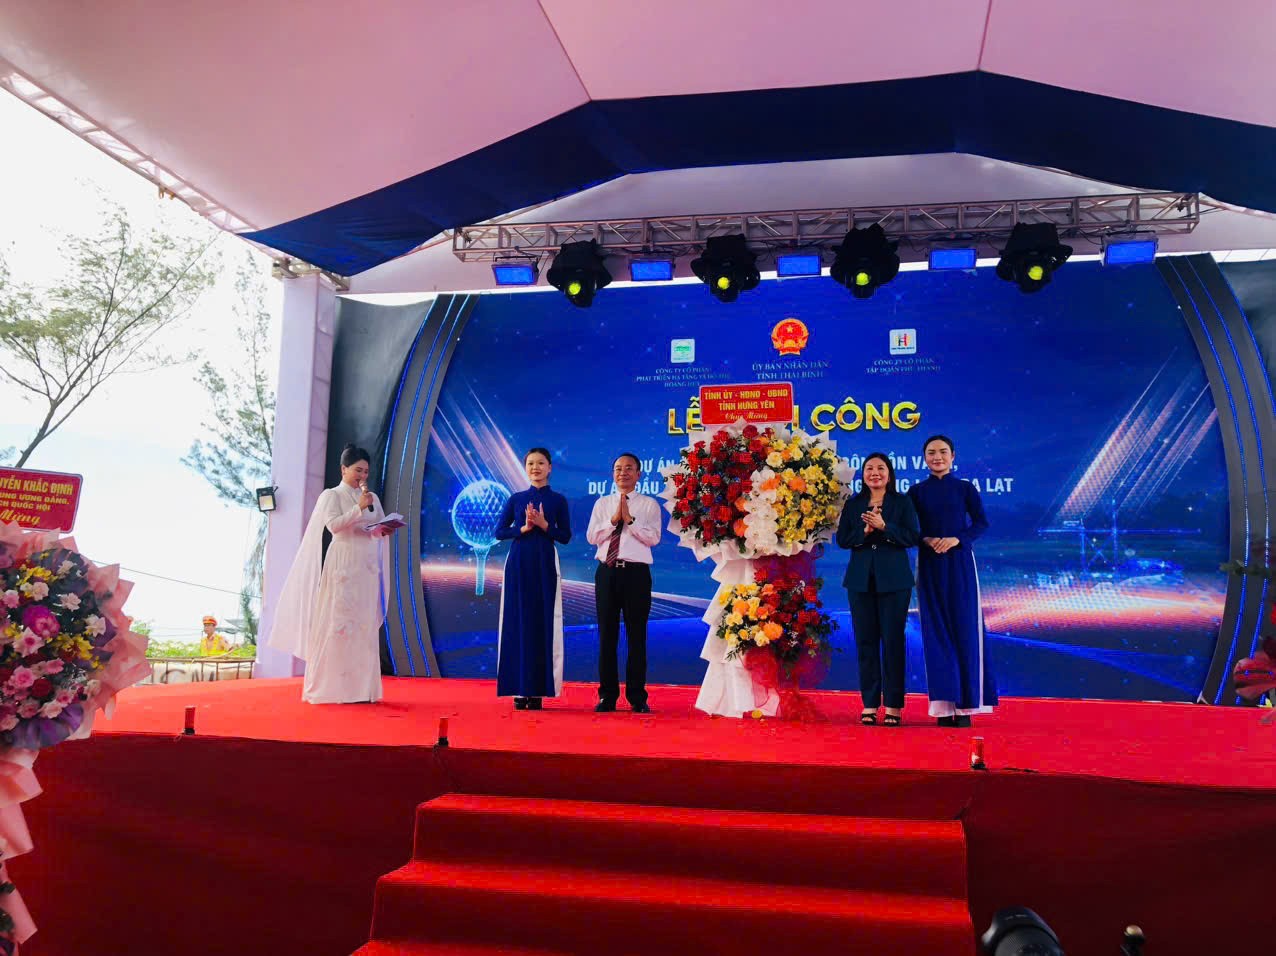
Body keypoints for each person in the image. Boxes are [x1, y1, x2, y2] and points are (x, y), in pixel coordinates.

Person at [268, 443, 394, 704]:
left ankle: (361, 690)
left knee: (363, 624)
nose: (362, 476)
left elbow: (375, 527)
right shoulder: (331, 495)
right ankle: (332, 688)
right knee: (339, 622)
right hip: (343, 561)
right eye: (358, 470)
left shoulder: (372, 497)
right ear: (344, 469)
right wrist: (358, 508)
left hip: (367, 565)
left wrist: (384, 529)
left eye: (366, 471)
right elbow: (334, 526)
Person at [907, 434, 997, 727]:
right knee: (936, 632)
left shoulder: (964, 488)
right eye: (931, 452)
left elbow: (981, 523)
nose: (937, 457)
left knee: (965, 629)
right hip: (929, 563)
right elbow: (908, 529)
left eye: (943, 452)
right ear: (924, 458)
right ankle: (944, 706)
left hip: (960, 563)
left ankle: (967, 705)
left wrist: (958, 539)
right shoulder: (916, 492)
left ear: (953, 456)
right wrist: (926, 539)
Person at [836, 453, 920, 727]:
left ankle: (894, 706)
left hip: (895, 582)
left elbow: (911, 536)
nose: (875, 473)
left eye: (880, 468)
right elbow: (843, 540)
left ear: (889, 473)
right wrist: (864, 533)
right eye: (869, 468)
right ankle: (870, 704)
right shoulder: (854, 504)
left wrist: (885, 527)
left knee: (893, 642)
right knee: (866, 642)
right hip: (860, 582)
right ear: (863, 475)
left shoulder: (902, 502)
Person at [493, 448, 572, 710]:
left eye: (540, 463)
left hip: (544, 564)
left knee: (542, 623)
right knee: (516, 622)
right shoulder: (516, 499)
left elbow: (565, 536)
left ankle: (537, 689)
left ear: (550, 468)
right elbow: (499, 532)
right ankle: (518, 688)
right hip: (518, 564)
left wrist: (544, 525)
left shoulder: (558, 500)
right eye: (530, 463)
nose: (535, 468)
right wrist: (524, 528)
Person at [586, 453, 663, 713]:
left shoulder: (649, 505)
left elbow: (653, 538)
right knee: (607, 636)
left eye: (629, 468)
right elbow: (592, 537)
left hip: (636, 575)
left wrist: (630, 520)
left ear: (639, 474)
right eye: (618, 468)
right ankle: (607, 696)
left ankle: (637, 697)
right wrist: (613, 520)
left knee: (636, 636)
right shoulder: (602, 504)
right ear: (613, 474)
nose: (623, 472)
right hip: (607, 573)